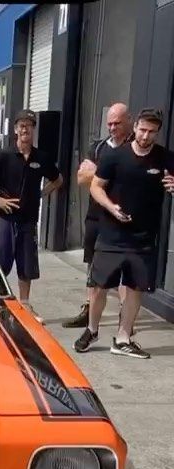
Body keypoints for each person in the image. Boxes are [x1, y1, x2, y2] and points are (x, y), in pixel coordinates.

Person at [74, 108, 174, 359]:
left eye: (151, 132)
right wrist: (111, 207)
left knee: (134, 288)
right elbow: (96, 187)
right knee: (98, 287)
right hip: (111, 234)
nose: (145, 136)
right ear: (135, 126)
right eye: (142, 129)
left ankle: (123, 338)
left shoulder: (164, 158)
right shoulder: (114, 156)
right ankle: (92, 329)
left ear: (157, 132)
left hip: (143, 237)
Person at [0, 110, 63, 323]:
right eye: (21, 125)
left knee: (26, 266)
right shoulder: (4, 155)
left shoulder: (41, 158)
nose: (25, 129)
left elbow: (58, 180)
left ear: (33, 130)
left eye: (29, 125)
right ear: (15, 130)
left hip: (28, 221)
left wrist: (41, 193)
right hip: (6, 220)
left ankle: (25, 305)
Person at [63, 102, 133, 329]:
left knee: (125, 268)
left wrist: (101, 174)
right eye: (110, 123)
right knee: (93, 264)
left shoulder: (135, 146)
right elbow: (82, 178)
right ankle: (89, 308)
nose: (112, 128)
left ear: (129, 120)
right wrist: (114, 175)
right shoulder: (98, 147)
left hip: (124, 218)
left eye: (117, 123)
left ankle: (126, 317)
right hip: (96, 217)